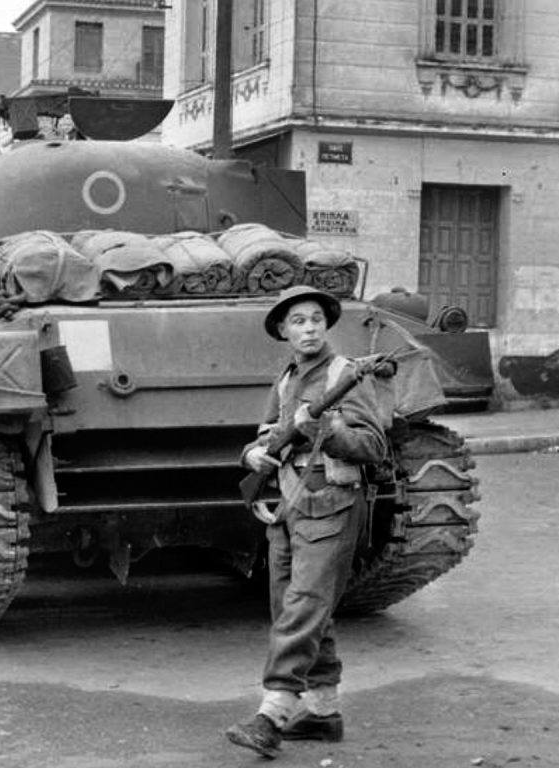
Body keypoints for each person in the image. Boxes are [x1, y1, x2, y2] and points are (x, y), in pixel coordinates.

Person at [226, 285, 387, 759]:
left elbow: (373, 446)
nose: (309, 328)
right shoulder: (287, 378)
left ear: (327, 324)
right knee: (292, 607)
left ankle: (272, 714)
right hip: (289, 507)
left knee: (304, 607)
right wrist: (253, 455)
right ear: (283, 331)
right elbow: (266, 437)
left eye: (316, 318)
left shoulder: (346, 375)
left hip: (334, 502)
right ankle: (321, 712)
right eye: (298, 321)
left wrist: (330, 431)